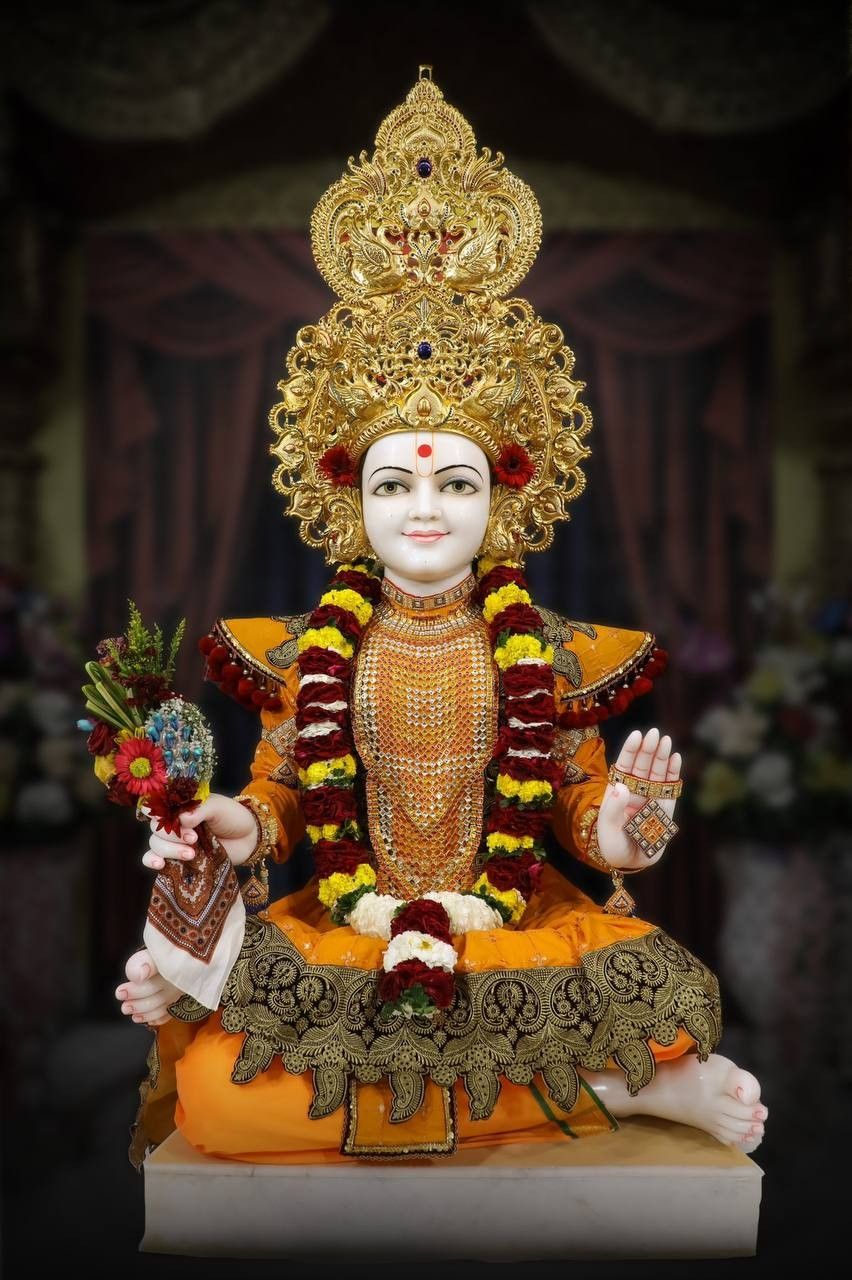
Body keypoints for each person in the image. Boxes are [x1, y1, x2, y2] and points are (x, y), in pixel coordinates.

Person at [116, 70, 766, 1164]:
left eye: (456, 482)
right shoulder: (308, 651)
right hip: (346, 928)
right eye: (395, 484)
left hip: (516, 930)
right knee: (216, 1098)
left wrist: (628, 822)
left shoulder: (547, 650)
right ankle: (619, 1086)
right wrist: (239, 822)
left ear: (506, 495)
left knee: (606, 993)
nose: (424, 508)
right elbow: (282, 791)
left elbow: (576, 801)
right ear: (352, 499)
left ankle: (612, 1070)